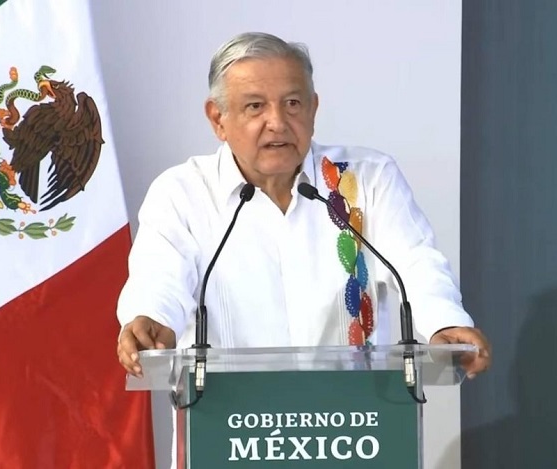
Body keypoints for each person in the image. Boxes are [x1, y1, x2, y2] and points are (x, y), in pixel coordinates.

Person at [116, 32, 491, 380]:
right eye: (255, 106)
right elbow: (159, 278)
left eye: (292, 103)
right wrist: (152, 318)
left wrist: (444, 321)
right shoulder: (182, 193)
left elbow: (416, 262)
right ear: (218, 119)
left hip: (353, 419)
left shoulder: (366, 178)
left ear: (313, 108)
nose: (277, 122)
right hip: (228, 421)